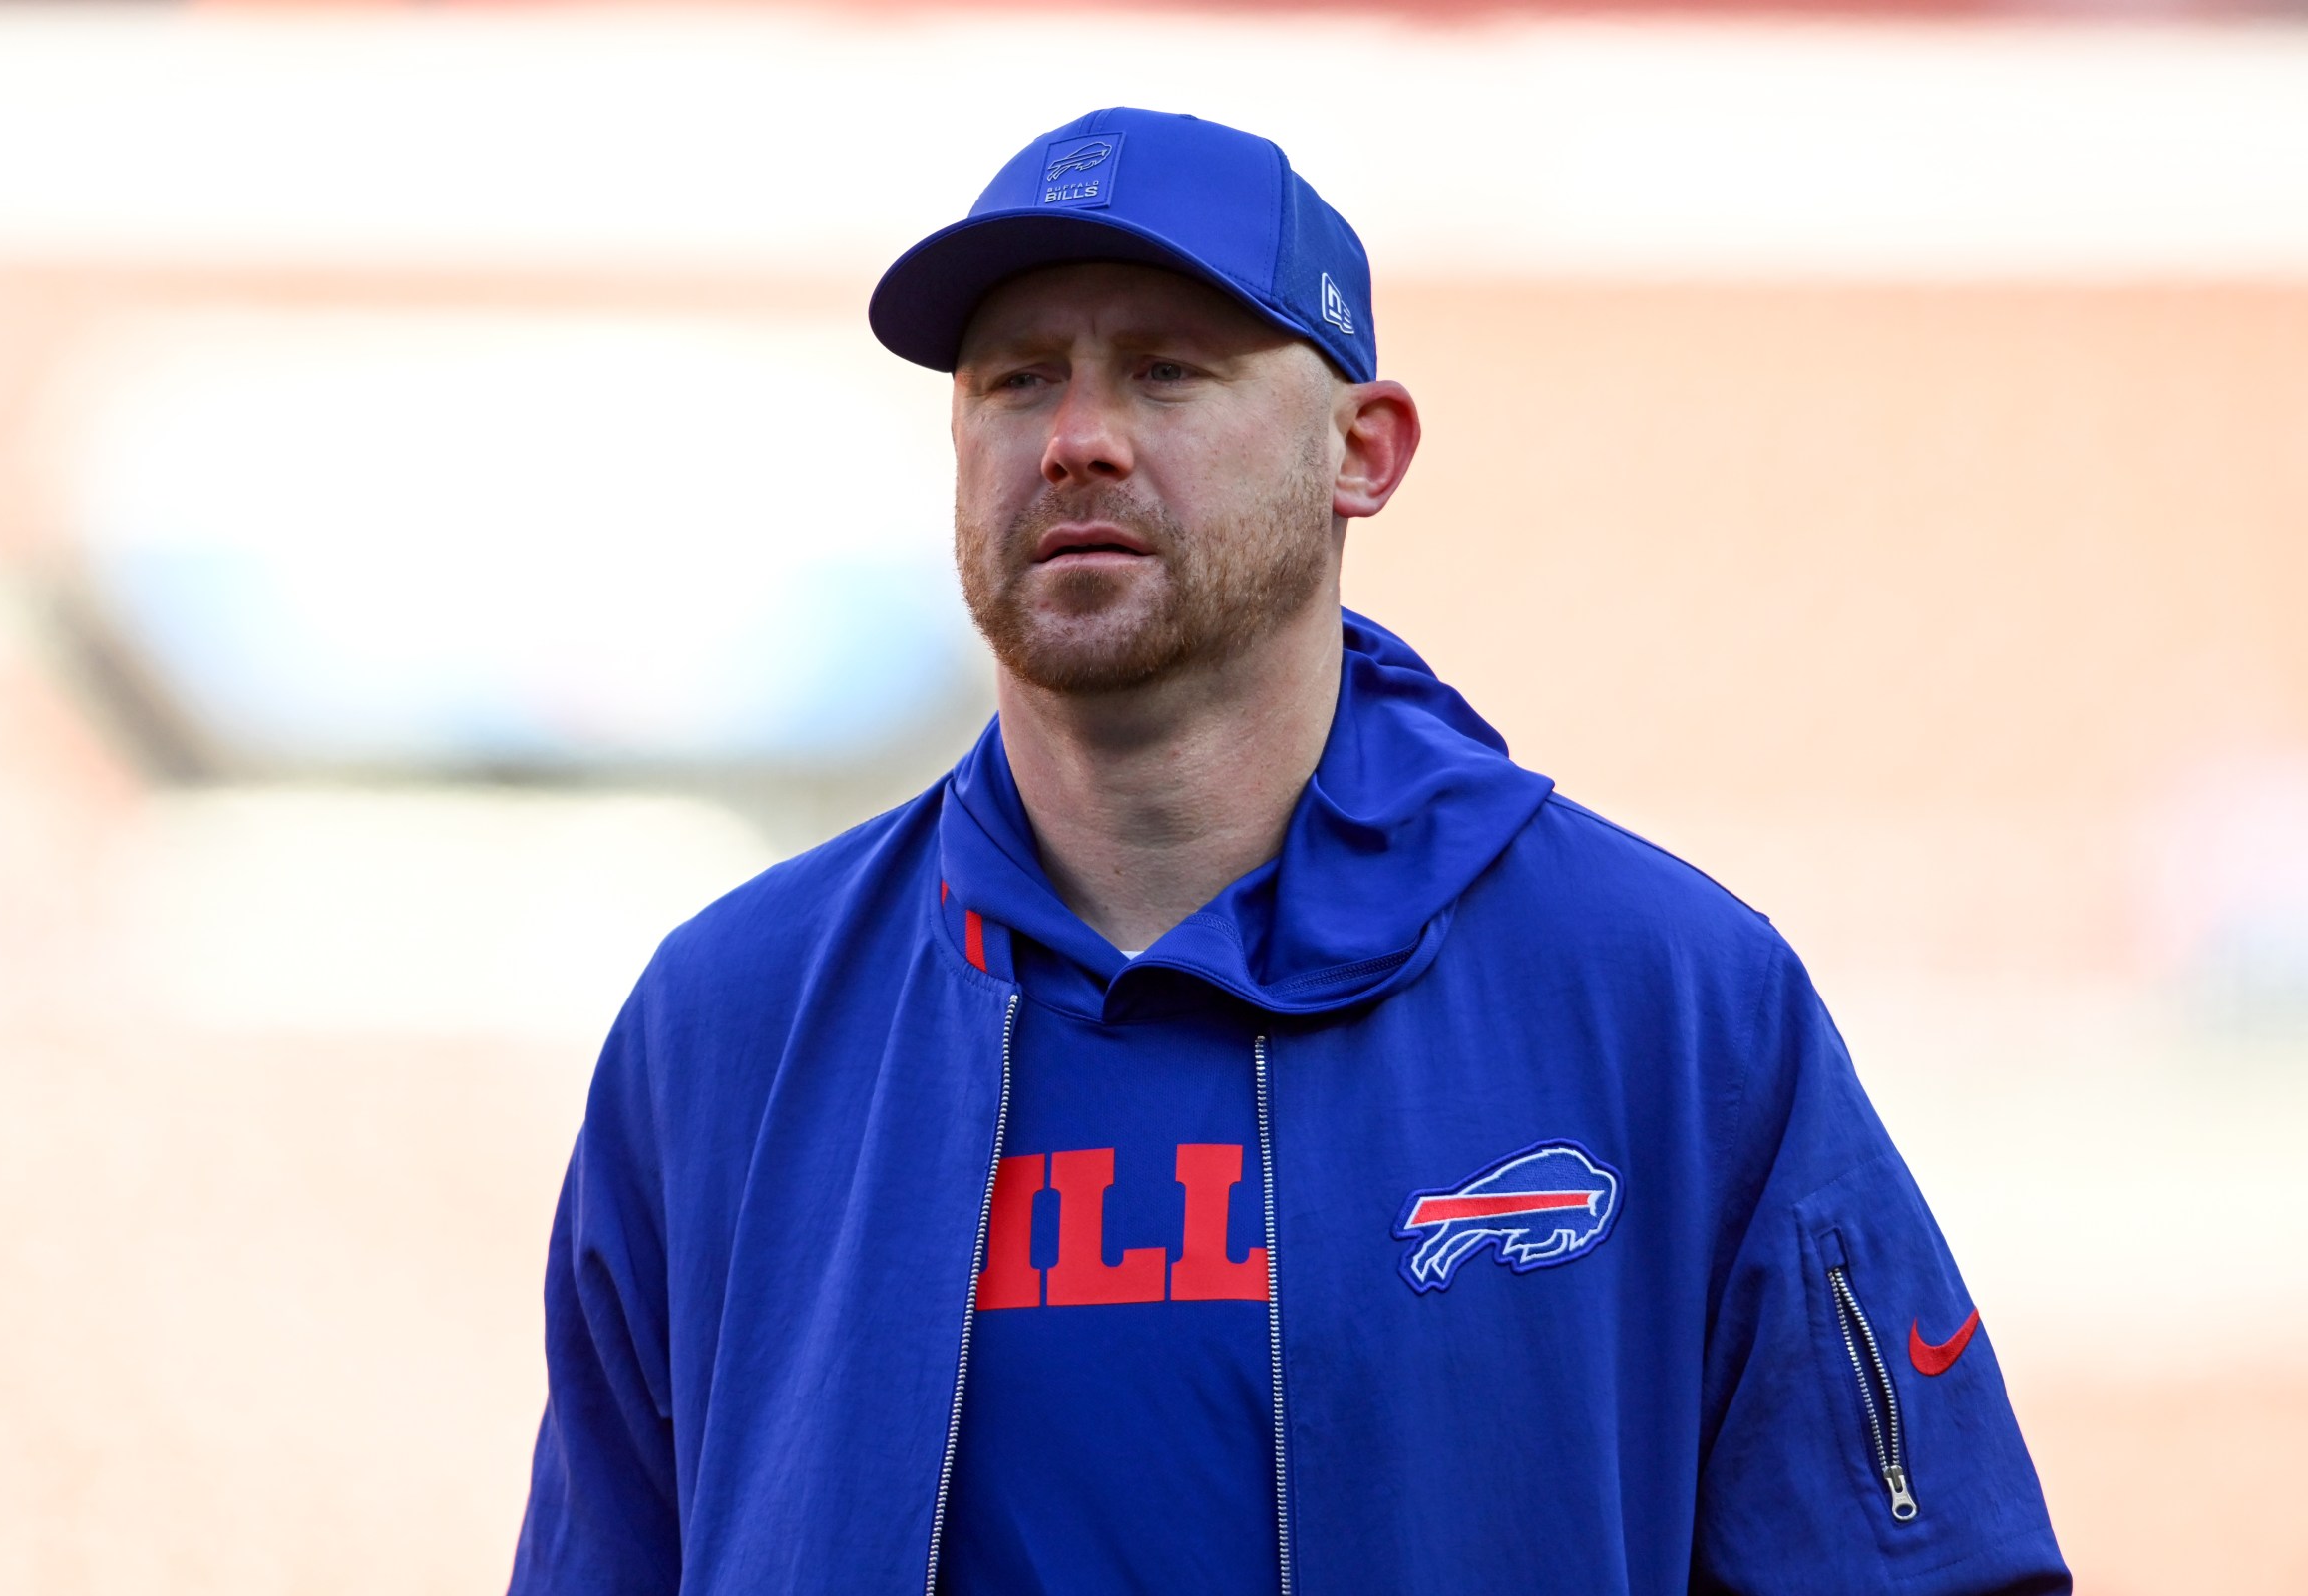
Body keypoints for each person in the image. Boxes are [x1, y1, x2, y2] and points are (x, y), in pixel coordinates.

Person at [508, 108, 2069, 1595]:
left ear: (1364, 452)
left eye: (1169, 372)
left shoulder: (1667, 1001)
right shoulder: (728, 1025)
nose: (1077, 440)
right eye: (1017, 378)